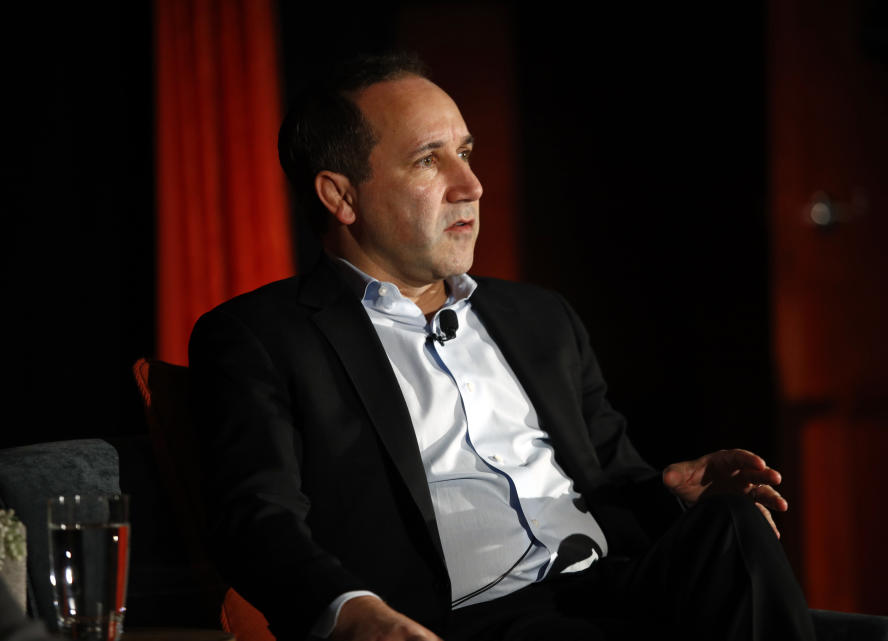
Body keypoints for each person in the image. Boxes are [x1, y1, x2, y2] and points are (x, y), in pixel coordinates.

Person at [189, 53, 815, 641]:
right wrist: (352, 613)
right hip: (472, 621)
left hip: (614, 589)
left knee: (731, 523)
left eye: (465, 152)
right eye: (428, 161)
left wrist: (671, 494)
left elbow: (613, 480)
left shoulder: (539, 317)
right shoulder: (262, 337)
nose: (472, 185)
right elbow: (257, 519)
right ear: (341, 195)